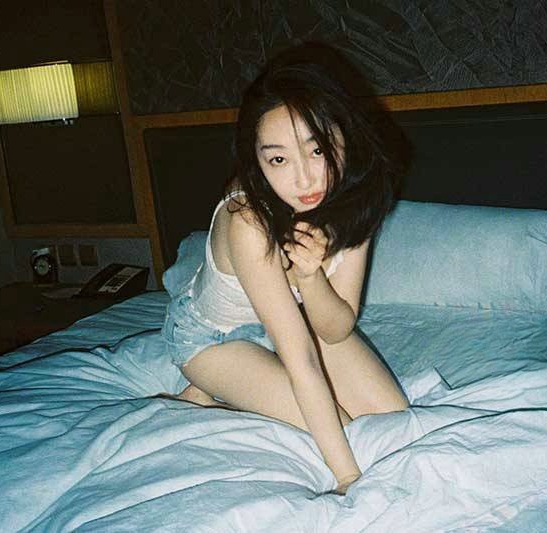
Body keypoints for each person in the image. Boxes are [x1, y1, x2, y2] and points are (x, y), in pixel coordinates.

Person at [160, 43, 409, 495]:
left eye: (317, 150)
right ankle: (206, 385)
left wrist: (311, 277)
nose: (304, 180)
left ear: (344, 138)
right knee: (346, 430)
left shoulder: (358, 201)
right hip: (215, 339)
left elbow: (335, 328)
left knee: (394, 422)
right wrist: (348, 477)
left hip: (295, 324)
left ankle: (219, 394)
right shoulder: (249, 222)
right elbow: (301, 357)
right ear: (256, 161)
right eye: (278, 159)